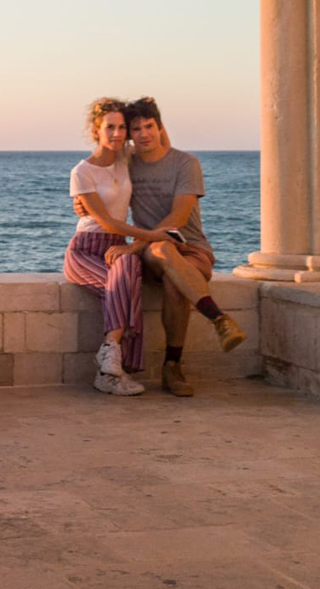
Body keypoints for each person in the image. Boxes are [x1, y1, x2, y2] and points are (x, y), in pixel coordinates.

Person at [76, 96, 247, 397]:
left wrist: (133, 246)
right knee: (162, 250)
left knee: (173, 277)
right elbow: (101, 180)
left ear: (160, 127)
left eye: (149, 126)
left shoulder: (186, 163)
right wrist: (82, 203)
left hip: (191, 247)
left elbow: (177, 219)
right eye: (136, 128)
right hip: (150, 250)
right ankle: (218, 319)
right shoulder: (128, 163)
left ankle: (172, 366)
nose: (143, 134)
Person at [63, 98, 174, 396]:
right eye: (109, 127)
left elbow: (162, 144)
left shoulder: (128, 158)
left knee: (128, 265)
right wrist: (154, 235)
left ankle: (109, 361)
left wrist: (150, 110)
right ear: (96, 130)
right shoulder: (81, 171)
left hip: (117, 248)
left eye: (122, 127)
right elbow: (108, 222)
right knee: (126, 283)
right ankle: (112, 369)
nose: (116, 133)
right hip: (85, 250)